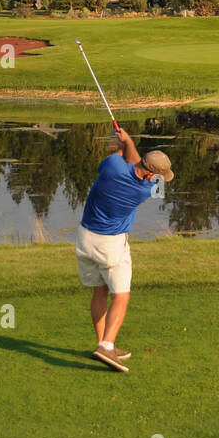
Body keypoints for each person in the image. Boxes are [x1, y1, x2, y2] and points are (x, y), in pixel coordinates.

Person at [76, 126, 173, 372]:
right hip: (111, 245)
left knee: (99, 291)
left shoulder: (111, 166)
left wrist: (124, 142)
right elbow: (140, 169)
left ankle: (104, 344)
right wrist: (128, 143)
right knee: (121, 295)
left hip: (85, 238)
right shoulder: (148, 189)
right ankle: (106, 346)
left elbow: (128, 162)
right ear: (153, 175)